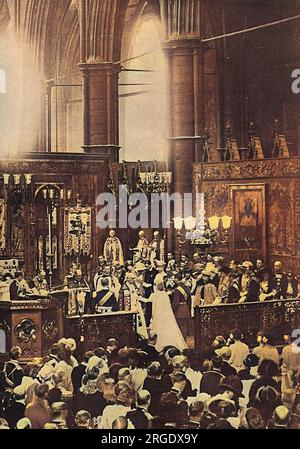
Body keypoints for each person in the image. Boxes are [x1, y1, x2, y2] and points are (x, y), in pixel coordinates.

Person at [150, 282, 188, 352]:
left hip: (159, 314)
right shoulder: (165, 294)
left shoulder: (156, 295)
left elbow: (154, 306)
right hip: (167, 315)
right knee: (170, 329)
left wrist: (153, 315)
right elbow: (169, 306)